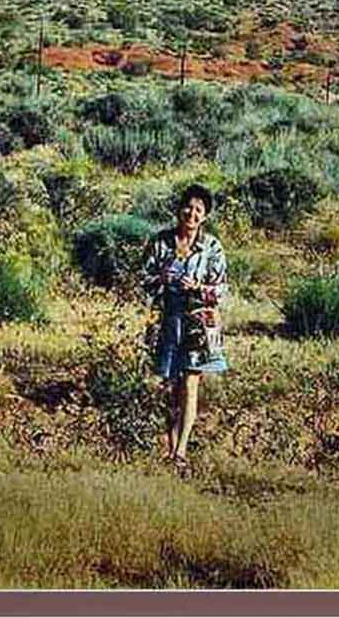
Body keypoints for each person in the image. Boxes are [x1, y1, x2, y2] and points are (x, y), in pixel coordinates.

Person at [139, 182, 227, 468]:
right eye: (188, 207)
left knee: (190, 382)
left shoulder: (212, 247)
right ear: (179, 209)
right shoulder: (161, 242)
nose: (192, 213)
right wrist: (161, 279)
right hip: (169, 318)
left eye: (199, 210)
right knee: (168, 384)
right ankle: (170, 443)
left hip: (199, 322)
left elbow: (222, 289)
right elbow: (143, 280)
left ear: (205, 216)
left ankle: (181, 451)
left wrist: (199, 287)